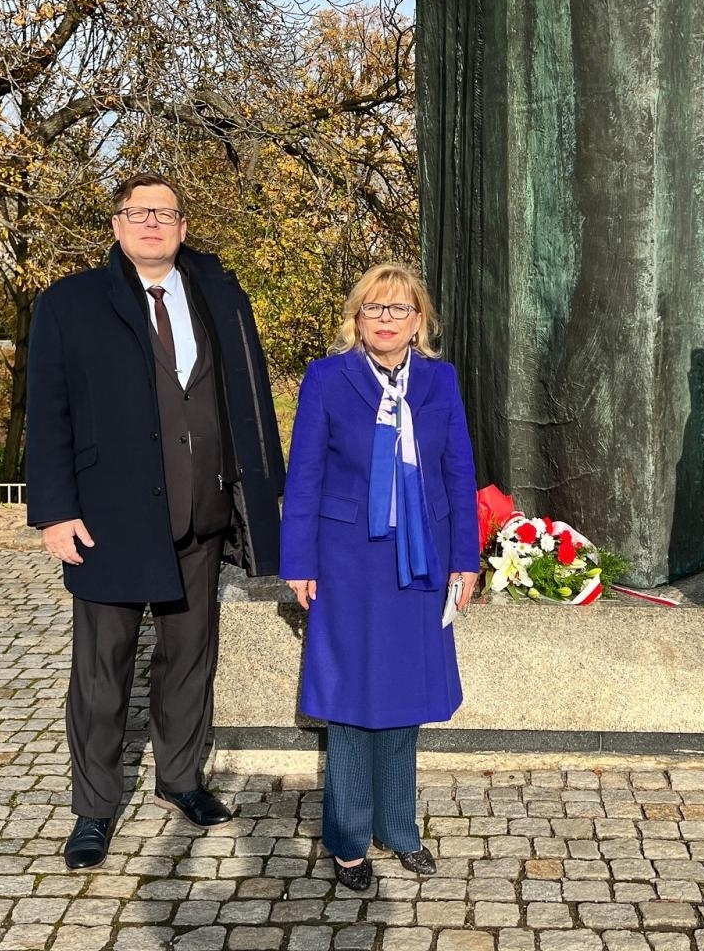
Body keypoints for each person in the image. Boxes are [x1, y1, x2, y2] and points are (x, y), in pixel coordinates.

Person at [26, 173, 285, 871]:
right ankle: (94, 809)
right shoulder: (70, 303)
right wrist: (54, 511)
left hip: (201, 515)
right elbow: (46, 414)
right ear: (116, 225)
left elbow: (250, 400)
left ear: (182, 223)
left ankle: (179, 779)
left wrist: (261, 497)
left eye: (164, 213)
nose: (151, 224)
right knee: (103, 674)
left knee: (189, 660)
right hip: (107, 522)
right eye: (138, 213)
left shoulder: (220, 298)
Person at [280, 263, 481, 892]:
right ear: (357, 318)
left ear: (419, 321)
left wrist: (466, 557)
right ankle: (346, 841)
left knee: (403, 698)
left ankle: (399, 829)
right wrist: (299, 562)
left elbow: (459, 471)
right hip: (346, 561)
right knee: (349, 698)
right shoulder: (327, 379)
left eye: (399, 309)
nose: (387, 319)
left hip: (421, 562)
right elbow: (305, 474)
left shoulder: (441, 381)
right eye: (375, 308)